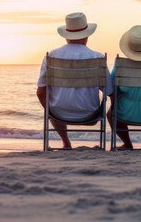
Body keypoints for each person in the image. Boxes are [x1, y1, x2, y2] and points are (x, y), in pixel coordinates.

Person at [37, 12, 111, 149]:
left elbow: (41, 92)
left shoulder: (51, 56)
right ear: (87, 36)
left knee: (54, 105)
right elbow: (110, 92)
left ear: (66, 36)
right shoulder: (97, 57)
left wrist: (50, 111)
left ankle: (66, 142)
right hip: (90, 114)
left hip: (58, 113)